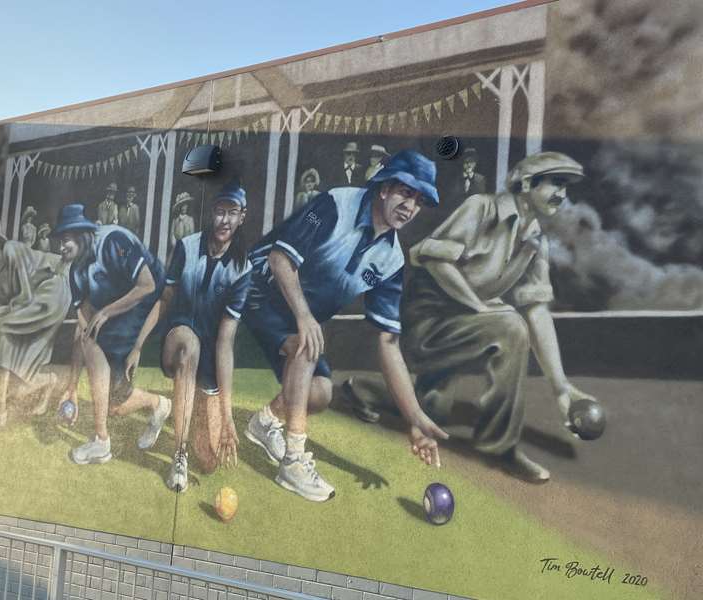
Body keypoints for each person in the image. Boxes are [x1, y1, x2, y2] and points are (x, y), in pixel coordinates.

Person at [344, 152, 598, 483]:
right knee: (509, 326)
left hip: (465, 327)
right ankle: (500, 448)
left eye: (566, 187)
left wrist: (561, 388)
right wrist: (478, 308)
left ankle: (362, 389)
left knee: (431, 411)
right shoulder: (481, 207)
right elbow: (434, 259)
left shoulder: (536, 240)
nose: (562, 194)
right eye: (556, 183)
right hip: (425, 321)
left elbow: (537, 310)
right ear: (525, 183)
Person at [242, 150, 449, 502]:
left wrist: (413, 416)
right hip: (256, 292)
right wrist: (306, 317)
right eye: (405, 192)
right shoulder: (336, 204)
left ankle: (263, 423)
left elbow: (388, 342)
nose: (409, 206)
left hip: (297, 317)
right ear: (384, 188)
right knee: (308, 344)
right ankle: (292, 463)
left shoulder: (392, 259)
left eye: (418, 200)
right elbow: (279, 258)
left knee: (320, 395)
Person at [152, 181, 252, 492]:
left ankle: (184, 412)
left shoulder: (242, 268)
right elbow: (164, 299)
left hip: (207, 360)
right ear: (211, 214)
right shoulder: (186, 246)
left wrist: (227, 414)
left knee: (209, 461)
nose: (224, 220)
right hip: (177, 341)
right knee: (189, 346)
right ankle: (178, 454)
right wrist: (137, 346)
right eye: (219, 212)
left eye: (231, 213)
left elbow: (225, 342)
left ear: (241, 217)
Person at [54, 204, 169, 465]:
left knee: (93, 345)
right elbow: (81, 330)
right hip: (120, 312)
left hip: (154, 300)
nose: (61, 248)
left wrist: (106, 313)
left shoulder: (111, 241)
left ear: (81, 234)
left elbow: (148, 285)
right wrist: (71, 388)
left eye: (65, 240)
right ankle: (158, 404)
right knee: (113, 404)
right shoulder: (76, 272)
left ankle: (101, 441)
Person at [0, 216, 71, 432]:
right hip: (29, 304)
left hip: (53, 286)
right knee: (16, 373)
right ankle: (49, 381)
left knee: (2, 330)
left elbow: (26, 296)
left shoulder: (11, 250)